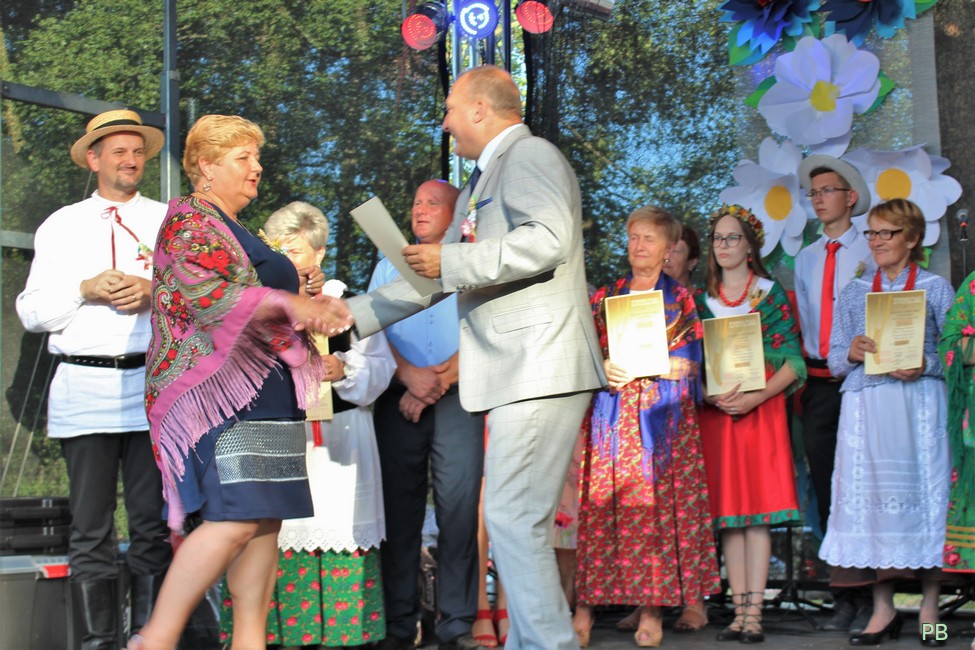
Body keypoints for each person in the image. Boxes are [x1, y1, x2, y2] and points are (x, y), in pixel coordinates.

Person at [342, 65, 606, 650]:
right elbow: (432, 279)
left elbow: (548, 239)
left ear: (480, 110)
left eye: (450, 110)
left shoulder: (528, 155)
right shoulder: (486, 177)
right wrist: (343, 318)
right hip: (521, 371)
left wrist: (453, 261)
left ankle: (550, 645)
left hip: (537, 366)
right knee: (516, 520)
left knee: (512, 517)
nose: (445, 123)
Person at [131, 114, 338, 650]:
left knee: (264, 523)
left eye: (257, 157)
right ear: (206, 166)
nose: (256, 167)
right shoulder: (188, 222)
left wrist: (304, 293)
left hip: (269, 393)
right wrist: (292, 301)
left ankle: (250, 641)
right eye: (242, 158)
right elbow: (211, 298)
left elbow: (260, 289)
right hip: (225, 397)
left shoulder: (239, 229)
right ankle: (155, 639)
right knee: (233, 520)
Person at [16, 109, 172, 649]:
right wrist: (83, 288)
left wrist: (154, 293)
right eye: (119, 151)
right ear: (94, 159)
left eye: (138, 151)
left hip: (151, 390)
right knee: (91, 529)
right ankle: (97, 644)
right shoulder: (61, 225)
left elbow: (203, 300)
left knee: (152, 524)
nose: (131, 160)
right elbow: (31, 313)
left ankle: (150, 639)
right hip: (84, 390)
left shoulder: (168, 220)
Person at [218, 201, 395, 647]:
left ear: (319, 253)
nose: (286, 261)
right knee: (270, 537)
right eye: (277, 251)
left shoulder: (346, 305)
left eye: (294, 251)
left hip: (339, 446)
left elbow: (381, 368)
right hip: (275, 440)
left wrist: (344, 369)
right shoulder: (256, 305)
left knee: (337, 532)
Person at [572, 206, 720, 648]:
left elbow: (689, 363)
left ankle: (652, 609)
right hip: (612, 417)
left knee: (656, 513)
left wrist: (661, 365)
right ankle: (584, 609)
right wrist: (602, 367)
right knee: (601, 510)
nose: (638, 246)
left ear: (669, 249)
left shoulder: (680, 298)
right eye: (634, 236)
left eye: (649, 239)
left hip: (661, 422)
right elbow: (585, 353)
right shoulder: (605, 296)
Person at [820, 198, 953, 646]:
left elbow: (955, 353)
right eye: (872, 233)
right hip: (868, 409)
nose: (876, 241)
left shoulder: (936, 288)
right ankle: (883, 609)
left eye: (886, 233)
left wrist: (925, 363)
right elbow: (835, 360)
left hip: (920, 408)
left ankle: (931, 611)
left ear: (911, 238)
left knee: (927, 502)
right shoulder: (855, 291)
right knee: (872, 505)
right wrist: (853, 351)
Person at [366, 180, 486, 650]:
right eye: (416, 202)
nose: (420, 210)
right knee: (399, 516)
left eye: (433, 203)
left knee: (458, 513)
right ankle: (399, 626)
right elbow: (373, 332)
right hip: (398, 398)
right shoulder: (388, 265)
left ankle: (456, 625)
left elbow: (485, 328)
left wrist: (436, 382)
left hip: (459, 396)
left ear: (455, 216)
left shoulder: (472, 264)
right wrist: (409, 376)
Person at [695, 204, 806, 644]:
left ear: (750, 246)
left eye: (732, 238)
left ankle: (754, 612)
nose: (723, 246)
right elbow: (690, 365)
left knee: (756, 516)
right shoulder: (700, 300)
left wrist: (756, 397)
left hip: (760, 415)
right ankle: (738, 612)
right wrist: (710, 395)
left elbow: (793, 361)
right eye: (717, 238)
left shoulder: (769, 295)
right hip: (718, 416)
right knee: (730, 516)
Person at [794, 155, 876, 634]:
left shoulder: (870, 247)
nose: (819, 199)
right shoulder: (806, 257)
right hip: (819, 383)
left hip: (862, 381)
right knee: (826, 486)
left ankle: (876, 594)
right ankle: (844, 593)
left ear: (850, 197)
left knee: (863, 483)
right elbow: (807, 321)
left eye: (828, 190)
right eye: (814, 192)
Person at [662, 224, 702, 289]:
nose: (666, 258)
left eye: (675, 251)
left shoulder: (704, 295)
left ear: (692, 263)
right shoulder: (647, 293)